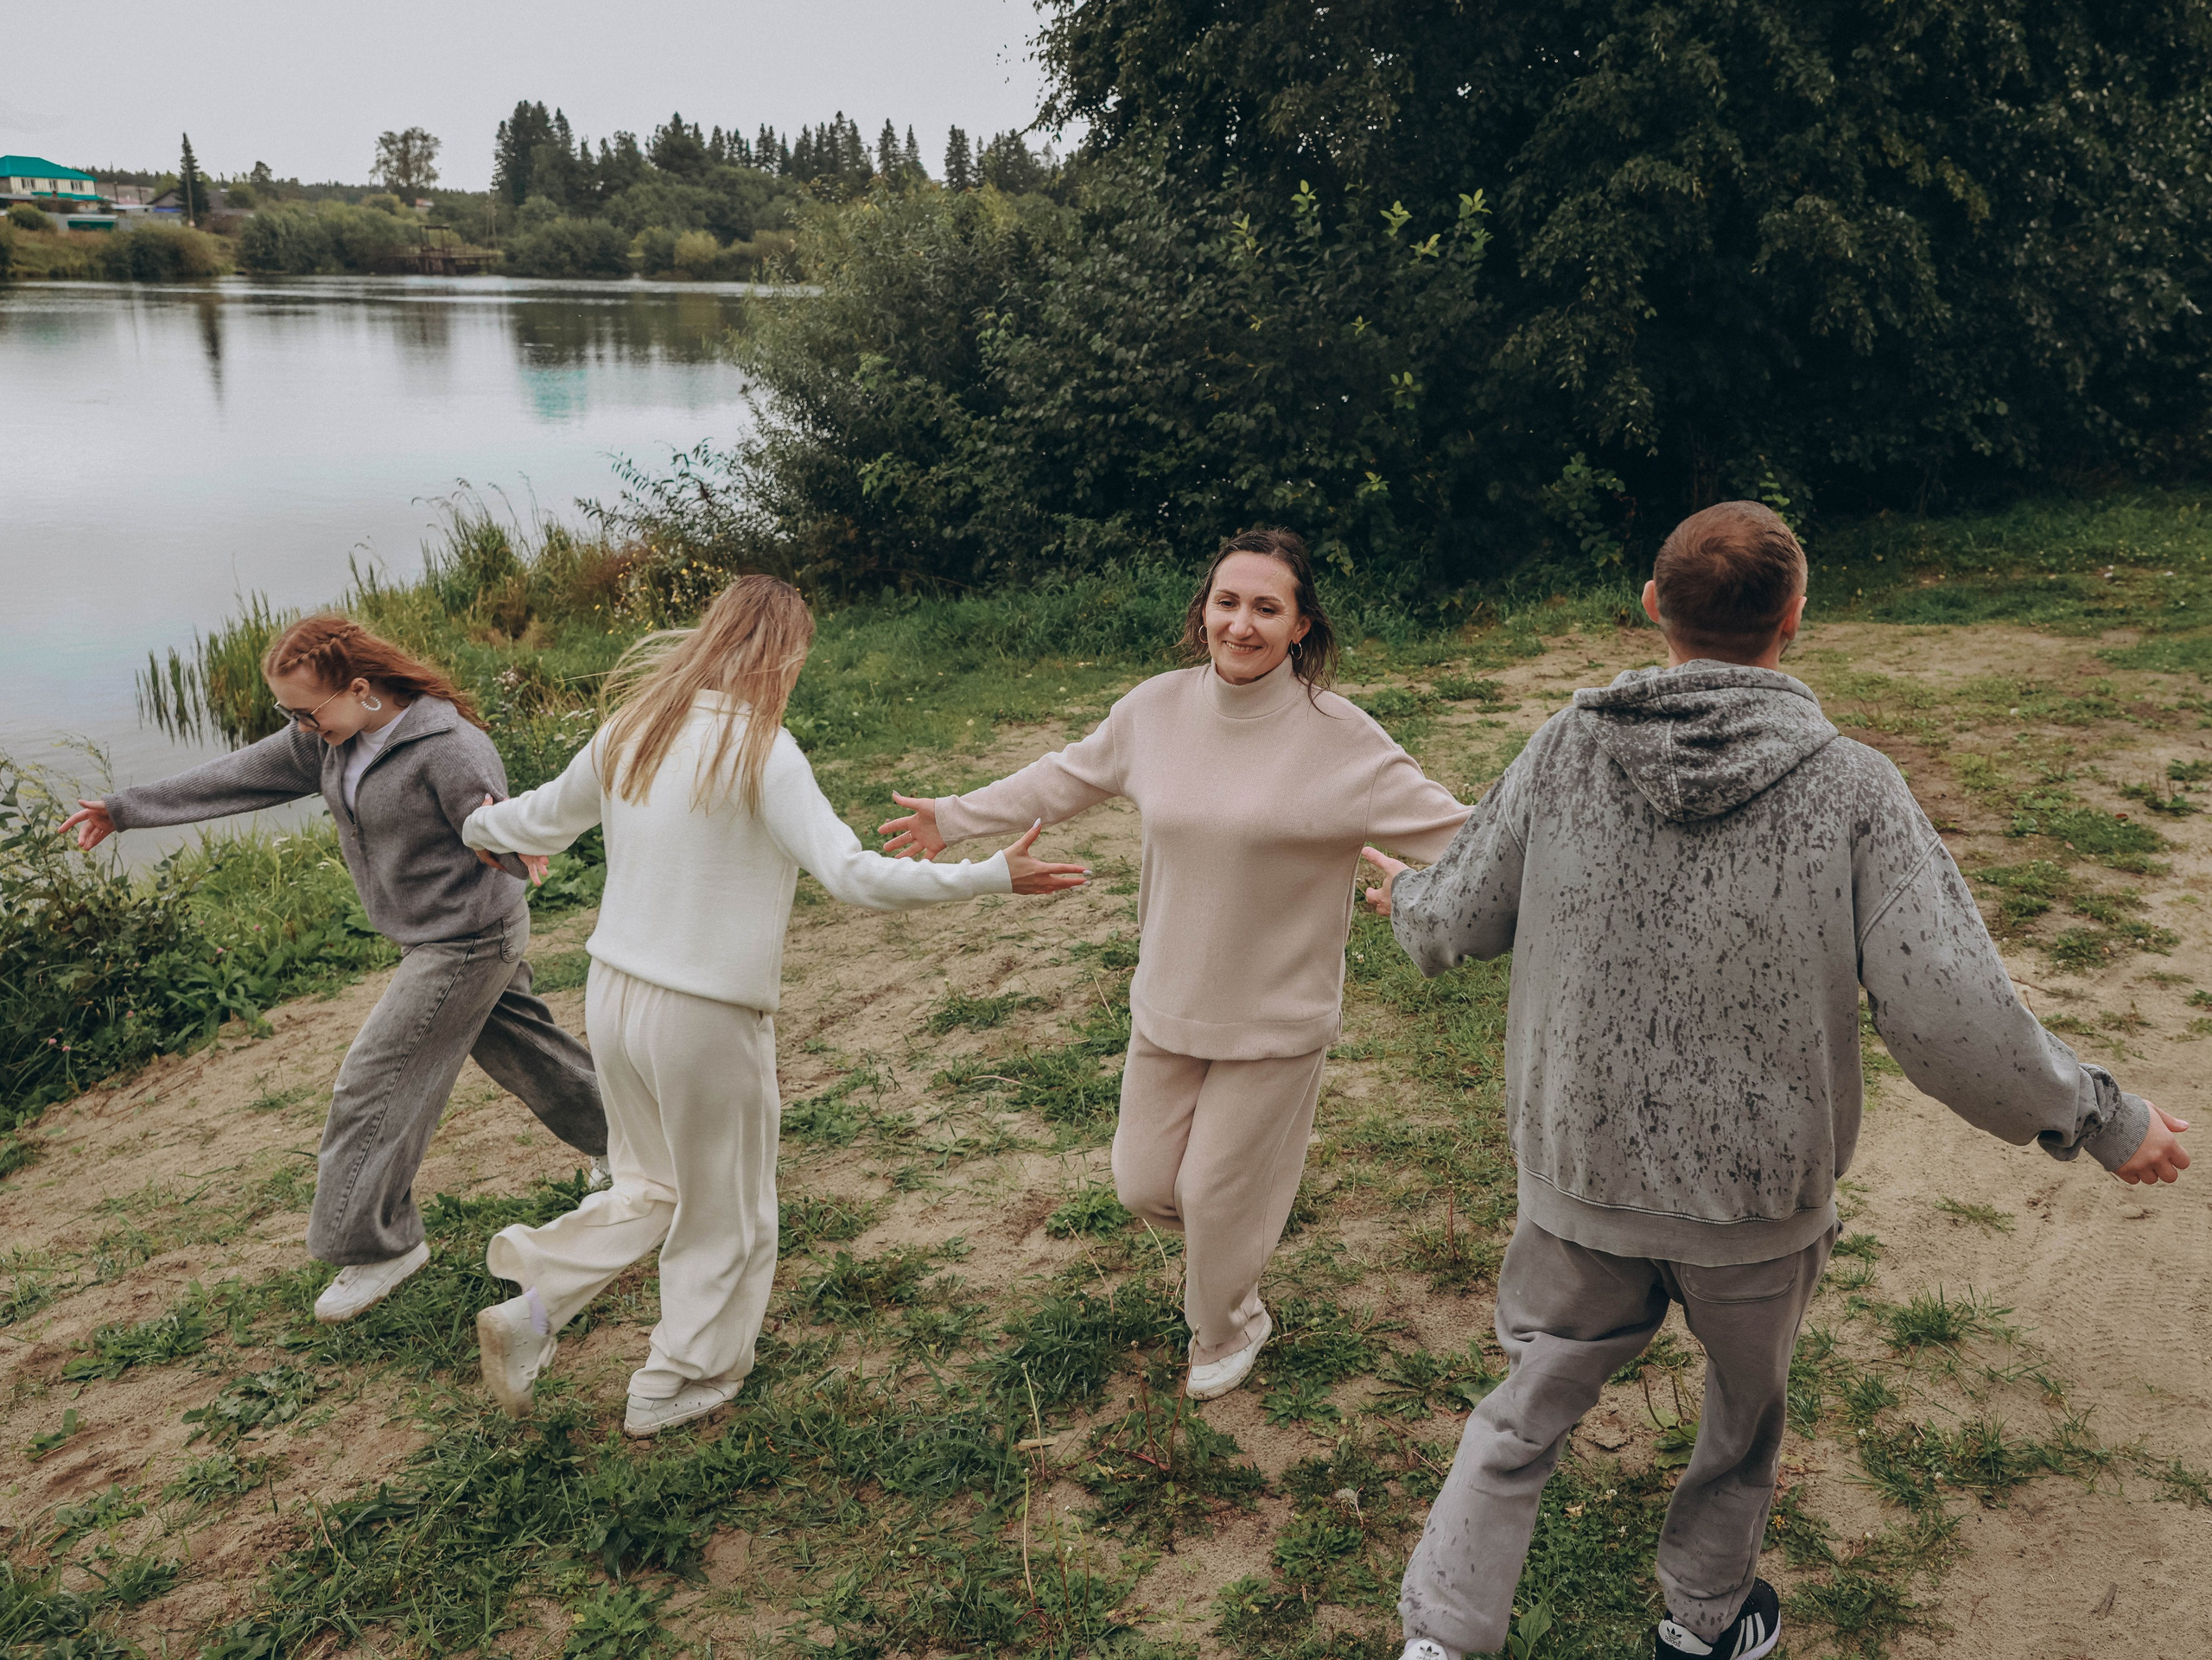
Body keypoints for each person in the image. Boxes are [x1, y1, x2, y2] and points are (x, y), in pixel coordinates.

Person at [1362, 500, 2190, 1660]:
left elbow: (1455, 915)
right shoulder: (1855, 789)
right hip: (1759, 1207)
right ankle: (1704, 1622)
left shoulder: (1564, 748)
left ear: (1654, 606)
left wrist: (1401, 899)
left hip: (1578, 1182)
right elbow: (1952, 1013)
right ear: (1796, 618)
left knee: (1521, 1412)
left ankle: (1442, 1638)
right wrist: (2103, 1117)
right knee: (1744, 1422)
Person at [459, 576, 1087, 1437]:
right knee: (728, 1209)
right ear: (786, 655)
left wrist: (472, 829)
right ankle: (676, 1380)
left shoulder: (630, 730)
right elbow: (851, 875)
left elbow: (534, 821)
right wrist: (989, 874)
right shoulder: (763, 750)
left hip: (612, 996)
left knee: (649, 1183)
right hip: (704, 1015)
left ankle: (530, 1316)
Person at [878, 528, 1470, 1401]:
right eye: (1227, 602)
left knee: (1214, 1192)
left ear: (1300, 625)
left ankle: (1225, 1325)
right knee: (1145, 1184)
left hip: (1277, 1013)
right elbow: (1063, 776)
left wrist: (1423, 894)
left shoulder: (1344, 741)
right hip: (1168, 1000)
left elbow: (1472, 839)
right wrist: (955, 817)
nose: (1242, 623)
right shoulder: (1152, 711)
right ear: (1203, 612)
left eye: (1267, 607)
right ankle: (1227, 1261)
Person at [61, 616, 609, 1323]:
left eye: (306, 710)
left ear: (360, 688)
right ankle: (631, 1146)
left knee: (372, 1078)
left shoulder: (449, 747)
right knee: (526, 1049)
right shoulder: (327, 739)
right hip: (432, 933)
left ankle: (379, 1245)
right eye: (286, 711)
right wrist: (123, 808)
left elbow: (494, 823)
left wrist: (513, 849)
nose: (297, 724)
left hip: (468, 937)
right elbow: (237, 777)